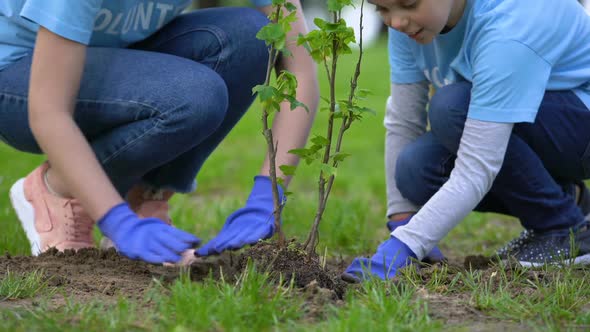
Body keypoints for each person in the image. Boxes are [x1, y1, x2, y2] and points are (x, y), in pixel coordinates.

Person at [1, 0, 318, 265]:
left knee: (252, 37)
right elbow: (48, 113)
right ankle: (55, 190)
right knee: (192, 96)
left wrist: (268, 196)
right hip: (18, 74)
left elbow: (300, 69)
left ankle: (144, 198)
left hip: (112, 53)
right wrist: (116, 220)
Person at [343, 0, 590, 281]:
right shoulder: (408, 28)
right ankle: (570, 201)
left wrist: (405, 246)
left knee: (452, 108)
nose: (397, 22)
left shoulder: (508, 24)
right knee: (416, 169)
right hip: (547, 124)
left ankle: (567, 230)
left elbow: (478, 165)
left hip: (582, 126)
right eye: (382, 9)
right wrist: (403, 219)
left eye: (409, 3)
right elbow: (404, 121)